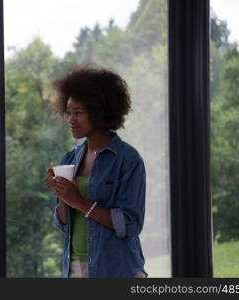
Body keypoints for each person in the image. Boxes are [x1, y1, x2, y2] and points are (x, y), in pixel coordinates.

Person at [44, 66, 148, 278]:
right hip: (74, 269)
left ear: (99, 112)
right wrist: (62, 194)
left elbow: (130, 224)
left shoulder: (127, 159)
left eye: (78, 113)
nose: (70, 120)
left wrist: (79, 201)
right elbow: (63, 223)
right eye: (69, 113)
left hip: (117, 270)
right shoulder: (69, 159)